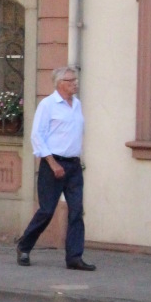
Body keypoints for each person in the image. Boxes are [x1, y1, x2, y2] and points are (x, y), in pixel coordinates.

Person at [17, 65, 95, 271]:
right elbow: (37, 136)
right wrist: (52, 163)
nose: (75, 83)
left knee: (77, 211)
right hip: (53, 164)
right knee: (47, 210)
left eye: (75, 80)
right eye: (71, 81)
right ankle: (24, 246)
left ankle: (74, 257)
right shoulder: (48, 105)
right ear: (60, 84)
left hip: (74, 165)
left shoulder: (76, 104)